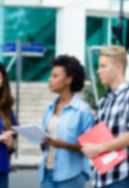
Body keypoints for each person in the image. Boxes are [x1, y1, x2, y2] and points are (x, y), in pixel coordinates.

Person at [81, 46, 129, 188]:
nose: (98, 71)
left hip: (121, 178)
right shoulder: (103, 102)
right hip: (101, 178)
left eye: (103, 66)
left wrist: (98, 148)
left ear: (118, 67)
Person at [38, 55, 95, 188]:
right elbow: (44, 144)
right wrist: (42, 141)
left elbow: (90, 148)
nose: (50, 80)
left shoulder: (82, 110)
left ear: (69, 79)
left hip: (71, 176)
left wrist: (65, 145)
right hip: (47, 174)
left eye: (55, 76)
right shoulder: (49, 108)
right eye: (50, 75)